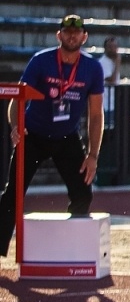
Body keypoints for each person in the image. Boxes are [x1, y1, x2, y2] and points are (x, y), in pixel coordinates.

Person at [0, 15, 104, 258]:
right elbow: (17, 98)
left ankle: (71, 249)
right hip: (33, 136)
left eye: (76, 32)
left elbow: (96, 114)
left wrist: (93, 155)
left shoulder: (92, 68)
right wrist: (16, 127)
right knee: (12, 195)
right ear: (59, 35)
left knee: (83, 193)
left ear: (84, 37)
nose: (71, 36)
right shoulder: (41, 61)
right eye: (67, 31)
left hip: (66, 137)